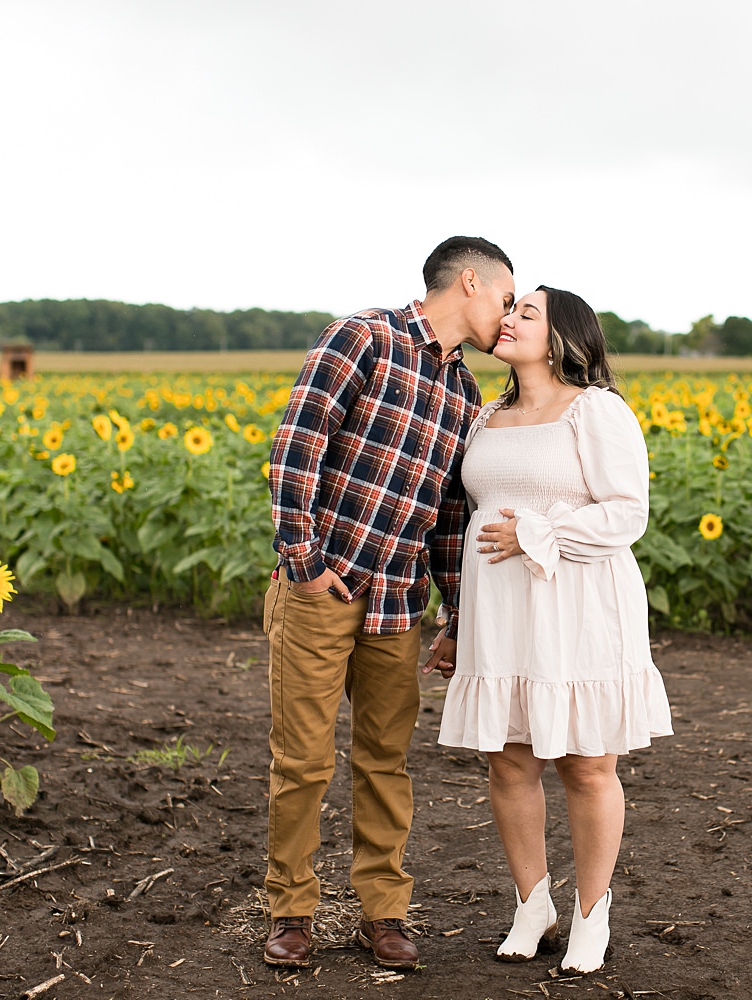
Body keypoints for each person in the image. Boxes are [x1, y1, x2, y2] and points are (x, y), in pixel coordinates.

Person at [262, 236, 515, 971]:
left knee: (384, 761)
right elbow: (294, 447)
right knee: (303, 761)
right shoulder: (365, 337)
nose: (508, 314)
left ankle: (384, 913)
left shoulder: (466, 394)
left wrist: (459, 618)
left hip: (399, 605)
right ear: (470, 282)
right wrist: (304, 565)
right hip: (320, 592)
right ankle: (292, 911)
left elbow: (448, 522)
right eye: (506, 297)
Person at [425, 285, 673, 975]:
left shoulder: (596, 410)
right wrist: (456, 620)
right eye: (509, 310)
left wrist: (539, 530)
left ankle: (593, 913)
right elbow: (472, 515)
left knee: (587, 764)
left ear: (564, 335)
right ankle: (532, 904)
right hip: (500, 611)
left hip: (578, 604)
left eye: (526, 312)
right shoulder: (487, 414)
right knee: (507, 759)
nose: (508, 320)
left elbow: (628, 513)